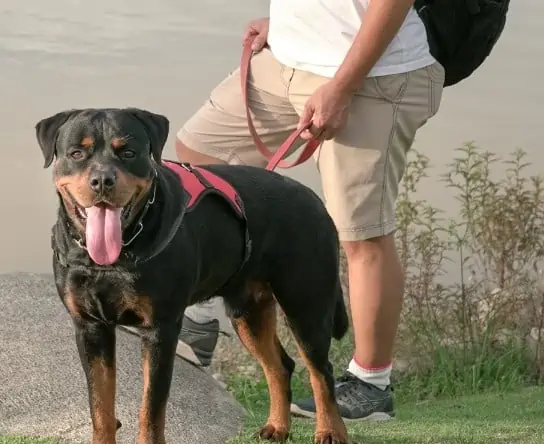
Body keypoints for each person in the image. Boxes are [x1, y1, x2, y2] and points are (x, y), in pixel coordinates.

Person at [176, 0, 445, 422]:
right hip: (286, 59)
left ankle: (372, 385)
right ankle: (204, 313)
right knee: (199, 154)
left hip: (369, 76)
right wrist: (288, 24)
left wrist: (342, 86)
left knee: (362, 232)